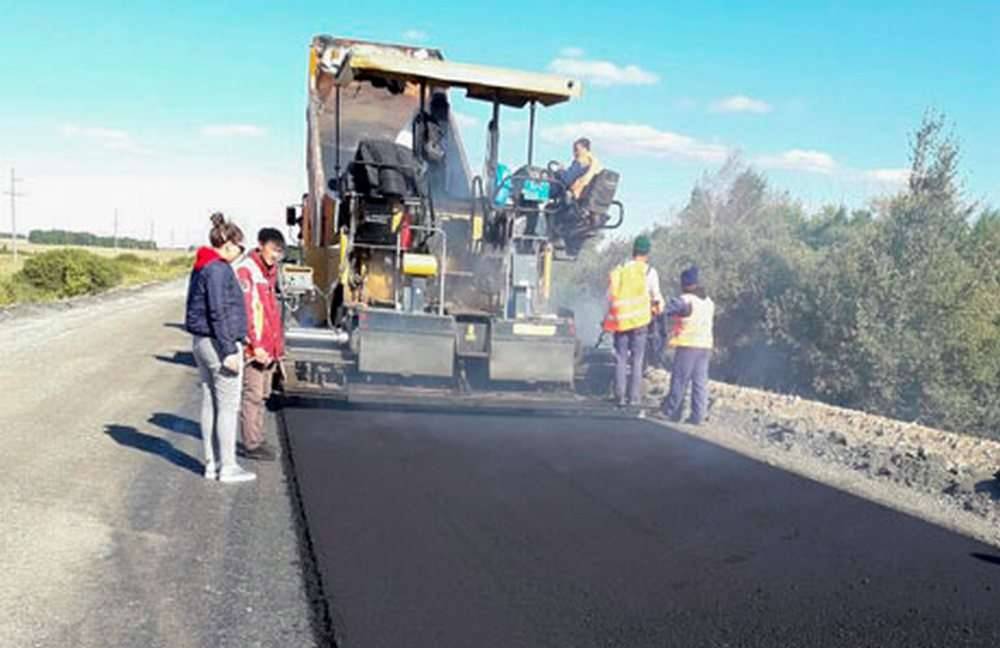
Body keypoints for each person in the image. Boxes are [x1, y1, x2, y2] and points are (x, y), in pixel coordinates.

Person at [184, 212, 256, 483]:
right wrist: (229, 350)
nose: (241, 251)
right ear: (227, 243)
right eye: (240, 246)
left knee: (209, 402)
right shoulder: (218, 270)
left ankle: (211, 464)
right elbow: (218, 311)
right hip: (217, 343)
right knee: (227, 406)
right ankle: (228, 466)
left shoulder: (202, 265)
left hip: (202, 342)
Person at [235, 228, 286, 462]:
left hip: (269, 347)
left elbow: (272, 313)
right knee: (253, 395)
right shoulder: (248, 271)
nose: (276, 255)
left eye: (279, 251)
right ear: (261, 245)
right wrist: (255, 345)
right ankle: (251, 444)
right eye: (273, 249)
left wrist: (278, 348)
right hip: (257, 348)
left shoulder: (269, 273)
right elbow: (248, 313)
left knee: (263, 395)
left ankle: (258, 437)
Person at [603, 235, 664, 407]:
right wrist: (658, 311)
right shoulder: (649, 272)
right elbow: (657, 296)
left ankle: (620, 396)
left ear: (633, 251)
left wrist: (605, 318)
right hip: (640, 323)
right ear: (647, 253)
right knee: (637, 360)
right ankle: (634, 397)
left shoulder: (621, 269)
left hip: (621, 322)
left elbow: (608, 296)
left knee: (621, 358)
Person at [660, 266, 715, 424]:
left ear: (685, 284)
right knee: (700, 383)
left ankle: (671, 412)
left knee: (679, 380)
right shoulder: (708, 301)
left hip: (688, 346)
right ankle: (698, 416)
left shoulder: (685, 300)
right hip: (705, 347)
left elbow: (665, 311)